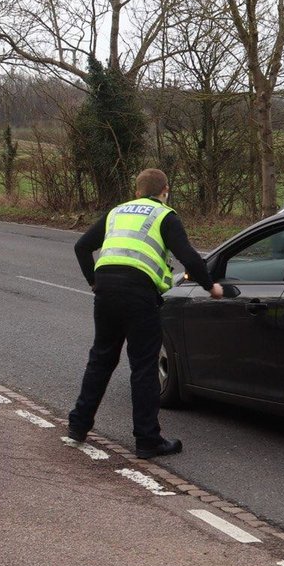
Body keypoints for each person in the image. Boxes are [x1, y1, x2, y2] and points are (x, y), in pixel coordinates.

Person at [67, 168, 224, 459]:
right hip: (139, 294)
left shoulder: (117, 212)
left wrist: (93, 281)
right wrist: (210, 286)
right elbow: (189, 257)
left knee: (101, 359)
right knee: (143, 367)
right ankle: (147, 439)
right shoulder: (165, 216)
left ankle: (78, 425)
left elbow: (82, 246)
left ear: (137, 191)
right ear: (166, 190)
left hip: (106, 292)